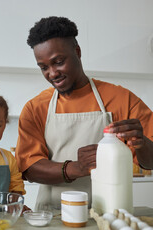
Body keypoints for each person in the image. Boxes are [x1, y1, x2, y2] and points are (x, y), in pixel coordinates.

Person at [15, 16, 153, 211]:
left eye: (59, 62)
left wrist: (142, 143)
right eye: (44, 67)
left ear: (77, 52)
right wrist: (75, 168)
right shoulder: (35, 108)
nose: (52, 73)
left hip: (110, 215)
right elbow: (28, 169)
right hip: (54, 217)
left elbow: (150, 162)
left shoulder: (122, 99)